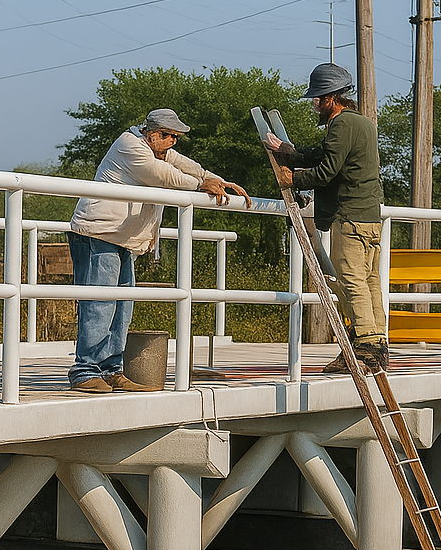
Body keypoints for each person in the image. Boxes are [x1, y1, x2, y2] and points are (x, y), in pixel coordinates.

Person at [66, 109, 248, 393]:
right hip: (97, 232)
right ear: (151, 133)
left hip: (121, 237)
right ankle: (85, 370)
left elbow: (189, 168)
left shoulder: (158, 150)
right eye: (167, 135)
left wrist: (218, 181)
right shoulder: (130, 145)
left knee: (122, 307)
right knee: (99, 304)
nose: (172, 141)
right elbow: (160, 176)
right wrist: (202, 185)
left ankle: (111, 369)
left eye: (175, 136)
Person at [263, 62, 387, 372]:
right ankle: (377, 343)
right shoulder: (363, 123)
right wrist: (294, 153)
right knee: (369, 280)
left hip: (350, 216)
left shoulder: (341, 124)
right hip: (370, 216)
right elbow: (327, 153)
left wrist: (294, 178)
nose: (315, 105)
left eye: (317, 99)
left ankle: (365, 349)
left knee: (351, 280)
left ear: (330, 98)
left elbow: (328, 171)